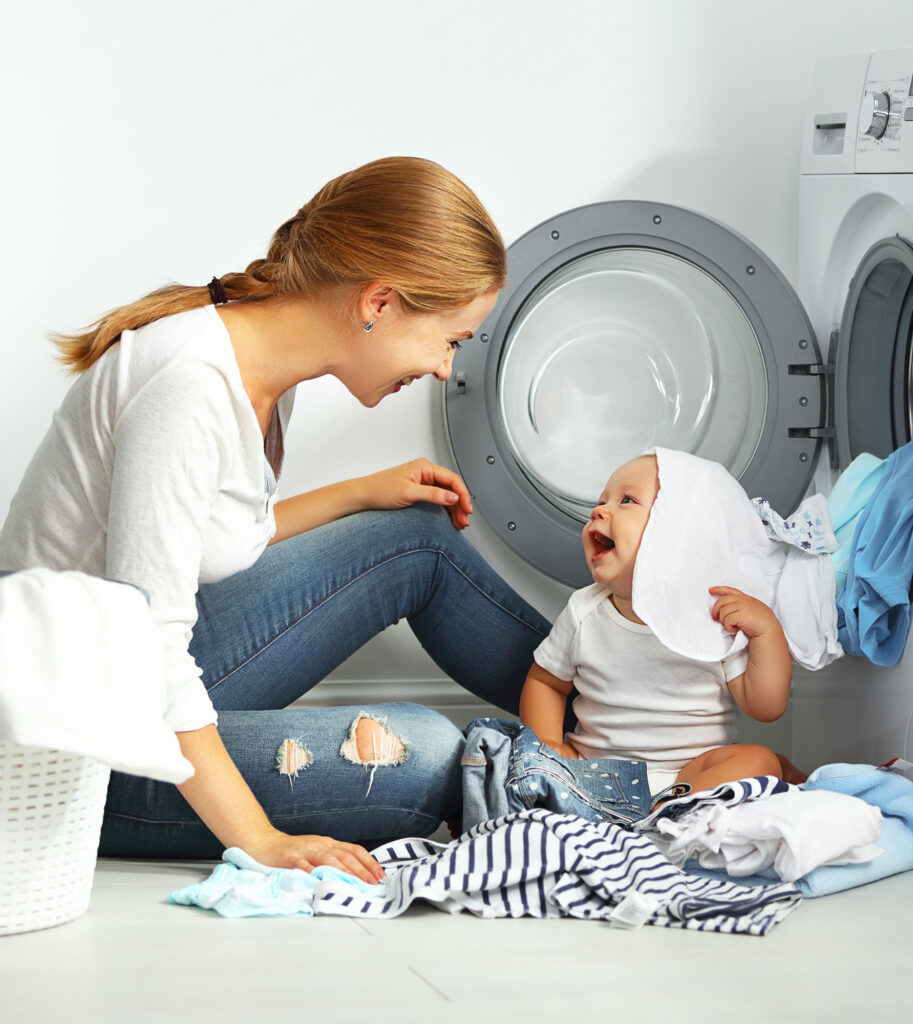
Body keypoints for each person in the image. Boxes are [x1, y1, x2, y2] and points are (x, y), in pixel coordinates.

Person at [0, 156, 552, 880]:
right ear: (378, 302)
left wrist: (359, 492)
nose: (447, 368)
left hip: (124, 674)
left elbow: (206, 540)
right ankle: (587, 766)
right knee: (421, 752)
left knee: (415, 535)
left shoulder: (262, 370)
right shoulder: (189, 387)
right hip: (72, 743)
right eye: (450, 339)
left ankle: (621, 722)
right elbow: (151, 648)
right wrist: (259, 840)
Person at [519, 452, 805, 804]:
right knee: (509, 758)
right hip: (594, 771)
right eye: (601, 501)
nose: (599, 511)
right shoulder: (584, 611)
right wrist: (549, 745)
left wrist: (766, 632)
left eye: (626, 500)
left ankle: (675, 806)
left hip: (693, 772)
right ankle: (656, 811)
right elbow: (546, 682)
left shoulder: (712, 615)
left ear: (678, 531)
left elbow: (766, 706)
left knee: (759, 760)